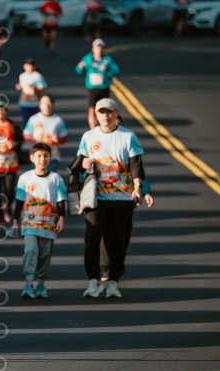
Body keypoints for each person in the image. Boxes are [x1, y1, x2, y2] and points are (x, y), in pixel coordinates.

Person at [76, 98, 144, 299]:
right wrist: (84, 164)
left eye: (109, 112)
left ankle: (113, 281)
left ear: (116, 114)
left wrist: (138, 188)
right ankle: (93, 280)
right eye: (101, 112)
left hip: (122, 197)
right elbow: (79, 163)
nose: (105, 116)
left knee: (118, 241)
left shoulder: (128, 136)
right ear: (96, 115)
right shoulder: (89, 136)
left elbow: (136, 164)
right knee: (92, 238)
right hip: (95, 197)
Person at [100, 114, 154, 281]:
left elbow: (140, 173)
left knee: (122, 235)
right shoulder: (100, 147)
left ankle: (118, 264)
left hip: (125, 199)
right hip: (104, 197)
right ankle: (107, 269)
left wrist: (146, 192)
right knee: (105, 233)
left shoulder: (129, 149)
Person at [11, 143, 67, 298]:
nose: (42, 159)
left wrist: (61, 219)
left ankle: (41, 283)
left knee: (44, 255)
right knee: (30, 250)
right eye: (39, 156)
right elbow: (19, 201)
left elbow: (61, 201)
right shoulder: (25, 178)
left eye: (46, 156)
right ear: (32, 158)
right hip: (29, 223)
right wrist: (15, 221)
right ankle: (29, 282)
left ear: (50, 158)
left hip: (48, 224)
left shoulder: (56, 179)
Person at [75, 38, 119, 129]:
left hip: (104, 88)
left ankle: (104, 127)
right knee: (92, 110)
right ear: (93, 48)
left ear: (103, 49)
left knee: (105, 110)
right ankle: (93, 130)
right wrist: (80, 67)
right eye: (97, 47)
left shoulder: (107, 59)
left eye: (101, 48)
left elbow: (116, 71)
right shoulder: (87, 58)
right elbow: (79, 71)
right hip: (92, 88)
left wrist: (107, 71)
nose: (99, 50)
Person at [23, 94, 68, 172]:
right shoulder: (34, 119)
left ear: (53, 104)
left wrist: (58, 139)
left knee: (50, 175)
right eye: (43, 103)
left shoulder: (58, 120)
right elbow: (26, 134)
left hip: (52, 155)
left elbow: (64, 136)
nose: (46, 105)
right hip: (37, 154)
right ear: (40, 105)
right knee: (37, 175)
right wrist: (35, 142)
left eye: (48, 102)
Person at [15, 58, 47, 127]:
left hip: (35, 103)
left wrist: (34, 89)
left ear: (35, 67)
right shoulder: (22, 76)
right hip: (24, 102)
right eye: (28, 65)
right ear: (24, 66)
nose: (30, 67)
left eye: (32, 65)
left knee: (35, 121)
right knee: (26, 121)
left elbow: (43, 87)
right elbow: (22, 86)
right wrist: (19, 87)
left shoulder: (37, 76)